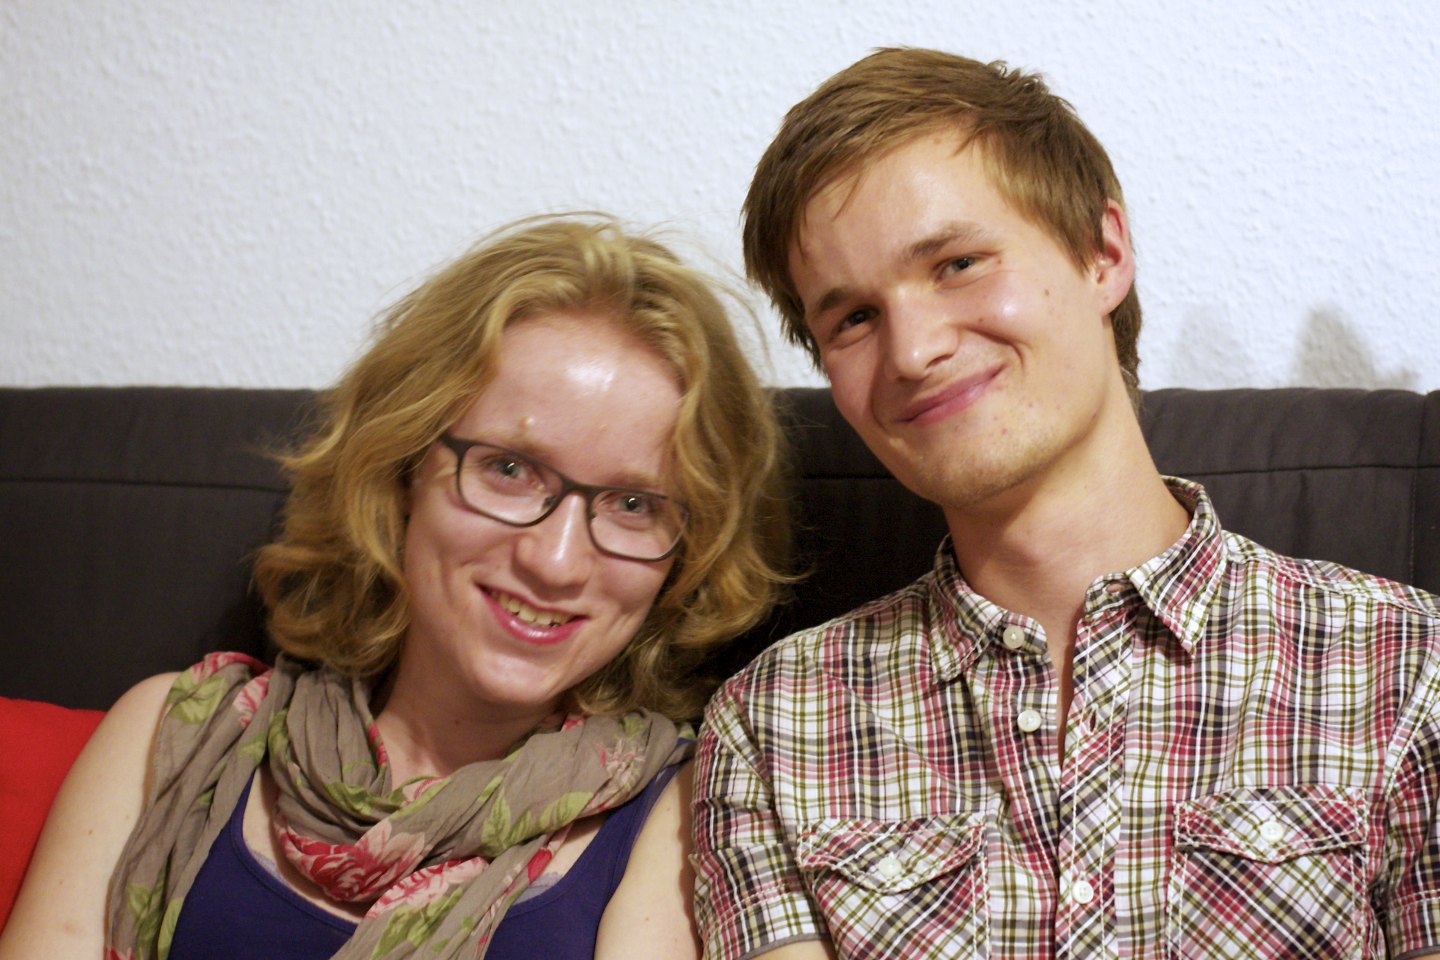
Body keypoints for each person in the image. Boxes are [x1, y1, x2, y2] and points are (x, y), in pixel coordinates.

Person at [692, 47, 1440, 959]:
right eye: (852, 318)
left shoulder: (1409, 671)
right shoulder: (773, 725)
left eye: (958, 263)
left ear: (1102, 254)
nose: (913, 351)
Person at [0, 215, 789, 960]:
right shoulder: (171, 734)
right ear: (401, 467)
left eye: (634, 504)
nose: (555, 562)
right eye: (508, 469)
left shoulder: (687, 816)